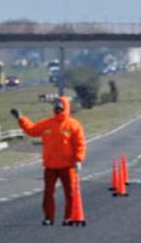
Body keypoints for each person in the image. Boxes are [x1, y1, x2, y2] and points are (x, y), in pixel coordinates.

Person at [11, 96, 86, 226]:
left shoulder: (73, 125)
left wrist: (78, 159)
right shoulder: (47, 123)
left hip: (67, 166)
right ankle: (49, 217)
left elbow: (80, 144)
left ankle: (69, 217)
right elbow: (32, 130)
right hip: (50, 166)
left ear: (66, 108)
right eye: (56, 108)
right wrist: (21, 119)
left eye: (60, 108)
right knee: (48, 193)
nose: (58, 110)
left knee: (70, 194)